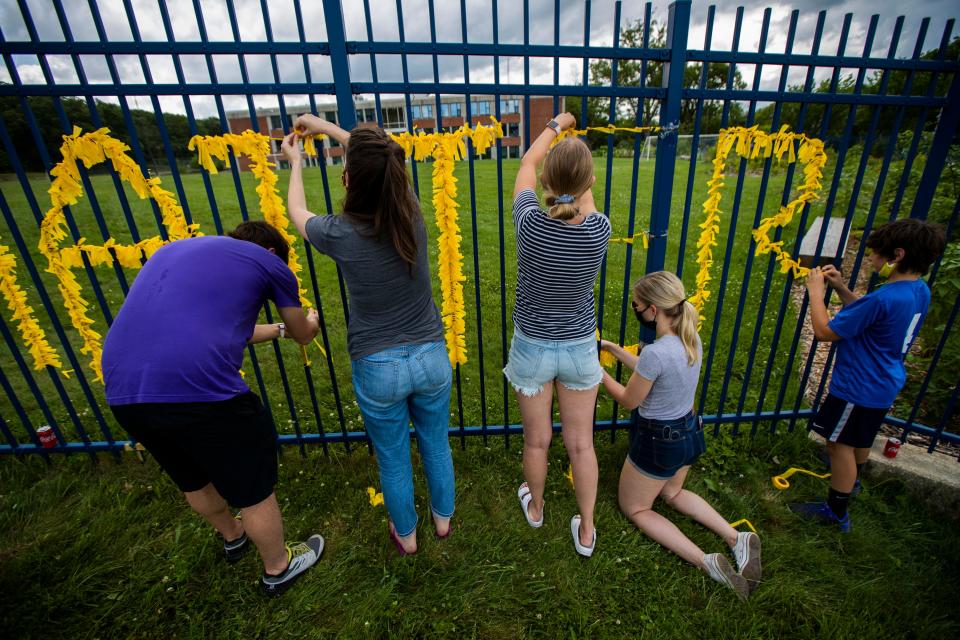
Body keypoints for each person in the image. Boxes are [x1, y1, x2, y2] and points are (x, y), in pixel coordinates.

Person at [102, 221, 324, 597]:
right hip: (202, 393)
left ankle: (233, 535)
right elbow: (302, 331)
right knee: (252, 484)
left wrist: (276, 331)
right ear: (272, 253)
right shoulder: (269, 263)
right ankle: (278, 566)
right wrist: (308, 324)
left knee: (190, 474)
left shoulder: (172, 251)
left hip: (126, 391)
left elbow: (224, 326)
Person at [281, 115, 454, 556]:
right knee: (436, 443)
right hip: (432, 355)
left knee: (394, 459)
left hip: (378, 365)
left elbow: (296, 213)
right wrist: (327, 127)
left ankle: (408, 538)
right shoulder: (410, 212)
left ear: (348, 179)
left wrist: (296, 161)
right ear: (395, 175)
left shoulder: (339, 232)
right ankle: (443, 522)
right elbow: (387, 152)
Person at [599, 271, 760, 600]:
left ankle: (707, 561)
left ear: (654, 310)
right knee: (672, 493)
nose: (636, 309)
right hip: (688, 432)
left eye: (637, 305)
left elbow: (631, 399)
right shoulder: (689, 337)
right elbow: (649, 369)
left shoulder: (658, 352)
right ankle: (735, 538)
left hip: (659, 441)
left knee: (636, 508)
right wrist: (614, 349)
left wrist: (597, 373)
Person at [792, 218, 946, 531]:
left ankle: (836, 511)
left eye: (876, 253)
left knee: (838, 445)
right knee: (859, 439)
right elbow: (872, 316)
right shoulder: (917, 290)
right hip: (883, 383)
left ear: (897, 255)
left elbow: (824, 331)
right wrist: (841, 287)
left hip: (857, 387)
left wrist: (817, 292)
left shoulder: (884, 297)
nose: (871, 259)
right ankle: (853, 481)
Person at [505, 113, 610, 557]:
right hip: (579, 348)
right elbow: (580, 200)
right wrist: (577, 176)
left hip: (532, 346)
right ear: (588, 184)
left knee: (537, 440)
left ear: (548, 180)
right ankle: (586, 530)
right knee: (581, 444)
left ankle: (537, 509)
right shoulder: (598, 231)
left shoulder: (529, 225)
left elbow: (526, 165)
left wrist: (555, 125)